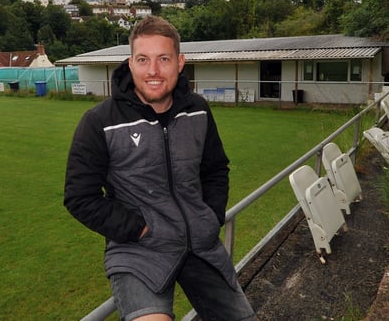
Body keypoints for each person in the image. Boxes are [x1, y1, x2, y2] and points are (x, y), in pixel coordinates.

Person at [64, 16, 256, 321]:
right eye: (143, 59)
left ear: (180, 63)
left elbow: (216, 169)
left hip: (200, 245)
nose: (153, 71)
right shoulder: (100, 121)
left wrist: (210, 217)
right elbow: (80, 197)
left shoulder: (198, 110)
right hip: (140, 250)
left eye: (163, 59)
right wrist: (137, 229)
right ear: (130, 63)